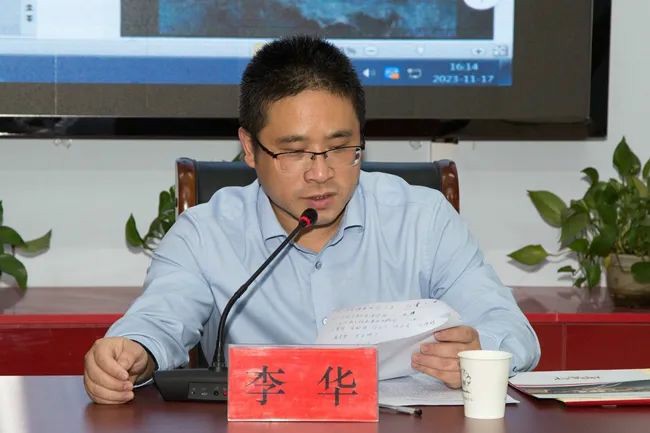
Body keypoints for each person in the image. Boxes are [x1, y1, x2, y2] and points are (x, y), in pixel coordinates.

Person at [83, 35, 540, 404]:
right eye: (294, 151)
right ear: (249, 148)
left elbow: (512, 330)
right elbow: (158, 320)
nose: (321, 174)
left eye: (341, 148)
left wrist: (479, 351)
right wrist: (130, 354)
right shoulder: (206, 234)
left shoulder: (422, 220)